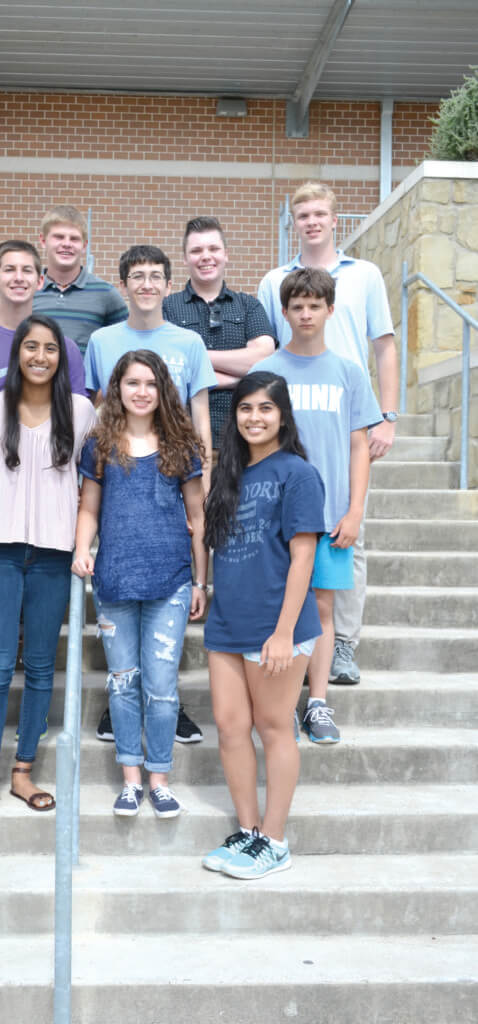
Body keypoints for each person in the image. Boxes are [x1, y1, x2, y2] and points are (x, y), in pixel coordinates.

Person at [257, 181, 397, 685]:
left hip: (347, 418)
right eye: (303, 214)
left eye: (320, 213)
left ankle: (342, 645)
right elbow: (269, 349)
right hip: (295, 424)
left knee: (346, 538)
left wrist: (388, 415)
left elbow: (383, 345)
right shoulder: (275, 280)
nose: (312, 221)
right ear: (293, 221)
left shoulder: (364, 275)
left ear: (335, 218)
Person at [0, 314, 96, 827]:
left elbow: (91, 485)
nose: (41, 357)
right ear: (18, 353)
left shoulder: (81, 412)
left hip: (54, 554)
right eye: (31, 347)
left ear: (63, 358)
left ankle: (23, 771)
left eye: (51, 349)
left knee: (41, 666)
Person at [0, 240, 86, 741]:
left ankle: (27, 748)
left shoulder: (71, 366)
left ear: (41, 278)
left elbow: (76, 444)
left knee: (39, 646)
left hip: (49, 532)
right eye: (8, 268)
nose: (18, 276)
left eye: (28, 269)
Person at [84, 244, 216, 744]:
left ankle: (168, 705)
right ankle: (119, 706)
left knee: (168, 592)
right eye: (136, 276)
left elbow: (199, 409)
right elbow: (99, 409)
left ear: (167, 283)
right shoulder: (102, 340)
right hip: (120, 475)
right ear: (123, 285)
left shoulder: (188, 341)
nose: (146, 284)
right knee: (122, 589)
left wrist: (205, 467)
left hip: (172, 472)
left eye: (155, 276)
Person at [73, 350, 208, 819]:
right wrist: (80, 549)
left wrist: (200, 582)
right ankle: (130, 780)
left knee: (162, 686)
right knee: (123, 683)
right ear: (117, 389)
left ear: (162, 389)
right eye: (132, 382)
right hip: (114, 581)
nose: (142, 391)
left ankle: (160, 778)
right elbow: (89, 508)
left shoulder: (181, 445)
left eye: (151, 383)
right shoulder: (99, 446)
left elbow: (197, 516)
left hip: (170, 582)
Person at [202, 371, 324, 879]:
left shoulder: (296, 474)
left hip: (279, 626)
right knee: (231, 730)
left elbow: (303, 559)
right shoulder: (229, 475)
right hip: (228, 622)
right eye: (246, 408)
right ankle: (249, 831)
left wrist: (283, 632)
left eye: (265, 409)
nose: (255, 417)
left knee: (275, 729)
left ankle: (275, 839)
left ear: (282, 416)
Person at [255, 268, 382, 743]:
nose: (305, 314)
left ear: (330, 310)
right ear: (284, 313)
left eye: (314, 306)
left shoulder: (349, 372)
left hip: (330, 517)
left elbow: (357, 446)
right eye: (296, 306)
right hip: (275, 516)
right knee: (277, 608)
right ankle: (282, 703)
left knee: (323, 608)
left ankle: (319, 703)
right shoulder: (269, 372)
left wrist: (354, 512)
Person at [163, 216, 276, 448]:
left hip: (241, 442)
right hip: (181, 440)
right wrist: (237, 377)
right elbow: (168, 368)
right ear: (185, 258)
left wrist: (196, 359)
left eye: (213, 248)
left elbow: (264, 360)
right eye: (196, 250)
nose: (206, 256)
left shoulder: (248, 306)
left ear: (226, 254)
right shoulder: (167, 308)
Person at [33, 204, 127, 356]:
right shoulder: (28, 291)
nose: (66, 244)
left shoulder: (106, 294)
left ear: (84, 246)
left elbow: (124, 346)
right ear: (43, 241)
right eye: (59, 237)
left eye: (74, 239)